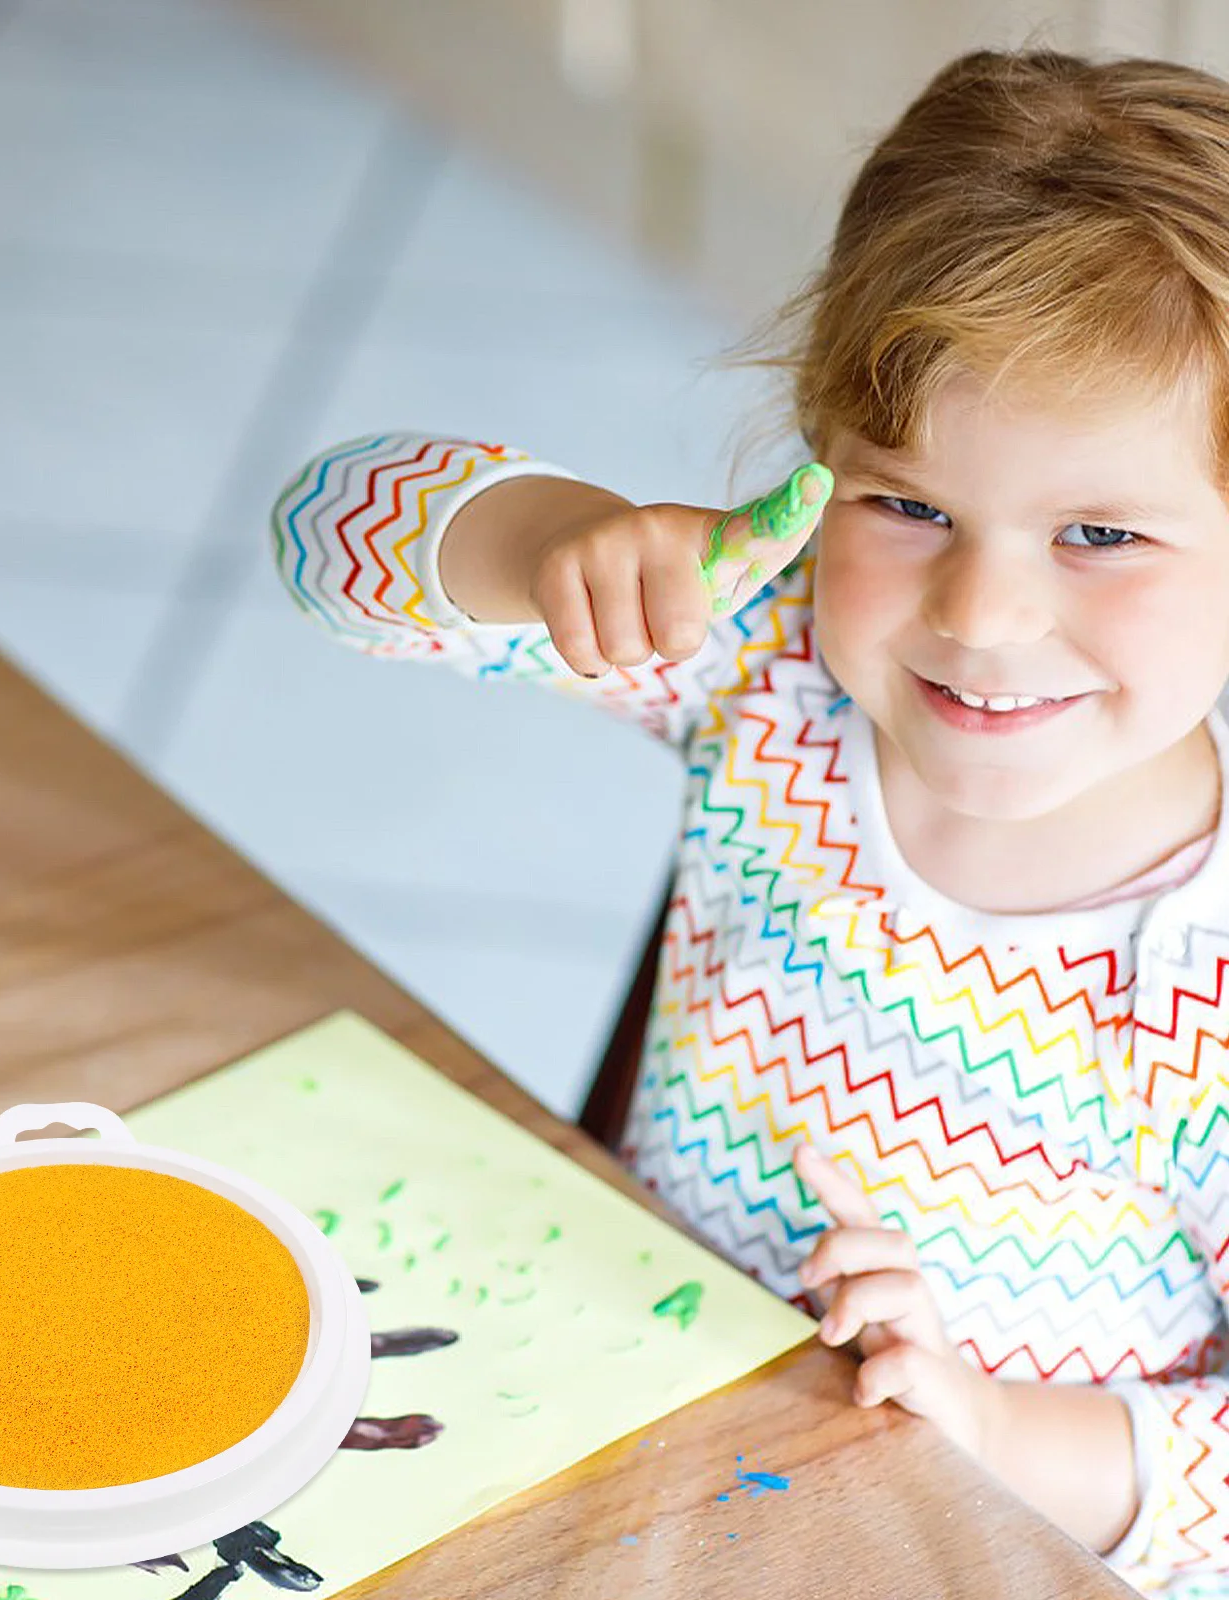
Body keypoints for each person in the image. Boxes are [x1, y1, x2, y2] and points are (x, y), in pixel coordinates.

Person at [268, 47, 1229, 1596]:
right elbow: (325, 536)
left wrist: (991, 1426)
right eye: (906, 505)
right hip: (625, 1442)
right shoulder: (767, 659)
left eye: (1101, 534)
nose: (979, 615)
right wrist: (550, 546)